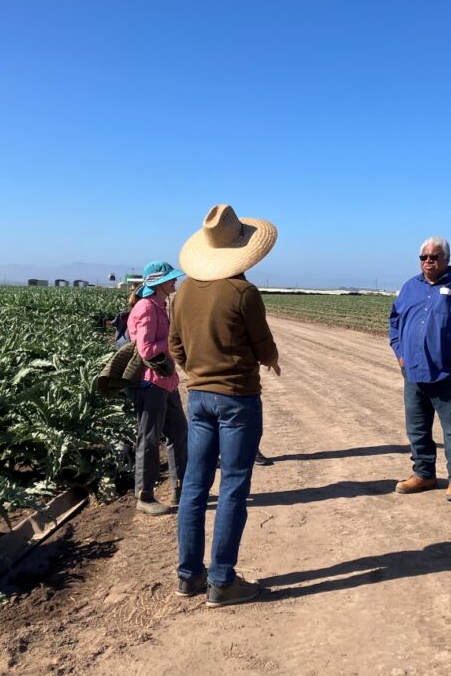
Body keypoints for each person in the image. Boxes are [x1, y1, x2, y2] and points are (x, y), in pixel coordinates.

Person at [170, 204, 280, 607]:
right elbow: (262, 344)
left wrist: (198, 369)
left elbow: (175, 347)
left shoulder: (181, 292)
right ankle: (222, 581)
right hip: (237, 399)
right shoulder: (243, 292)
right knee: (233, 487)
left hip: (198, 397)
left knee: (195, 488)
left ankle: (187, 576)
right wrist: (270, 359)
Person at [389, 237, 451, 502]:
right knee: (417, 428)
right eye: (424, 257)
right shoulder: (409, 287)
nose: (428, 261)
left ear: (447, 259)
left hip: (449, 375)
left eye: (434, 256)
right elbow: (394, 322)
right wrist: (400, 354)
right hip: (414, 373)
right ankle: (424, 473)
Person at [127, 261, 189, 516]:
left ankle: (181, 490)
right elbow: (146, 350)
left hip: (167, 381)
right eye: (171, 279)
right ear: (158, 282)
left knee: (179, 434)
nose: (175, 282)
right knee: (149, 439)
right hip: (150, 383)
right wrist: (174, 336)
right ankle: (145, 496)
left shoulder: (159, 305)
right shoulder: (146, 308)